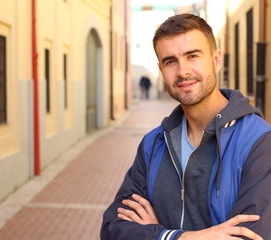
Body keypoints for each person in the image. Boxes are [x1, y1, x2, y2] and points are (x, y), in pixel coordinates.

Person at [101, 13, 271, 240]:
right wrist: (179, 237)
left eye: (192, 56)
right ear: (161, 70)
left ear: (216, 60)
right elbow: (113, 228)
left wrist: (154, 232)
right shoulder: (154, 144)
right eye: (171, 61)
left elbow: (251, 236)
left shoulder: (259, 142)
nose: (182, 72)